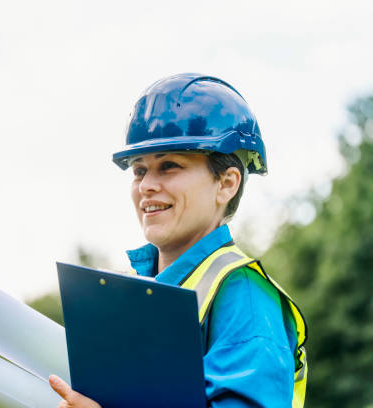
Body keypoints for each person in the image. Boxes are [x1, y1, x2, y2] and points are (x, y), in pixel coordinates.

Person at [48, 73, 308, 407]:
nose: (146, 185)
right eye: (139, 170)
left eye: (169, 166)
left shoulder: (245, 299)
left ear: (226, 183)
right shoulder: (135, 292)